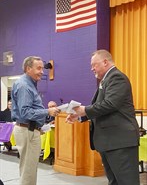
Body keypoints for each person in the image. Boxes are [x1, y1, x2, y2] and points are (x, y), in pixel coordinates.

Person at [66, 49, 140, 185]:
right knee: (114, 181)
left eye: (94, 65)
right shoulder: (106, 80)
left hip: (120, 142)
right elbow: (102, 109)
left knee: (126, 181)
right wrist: (80, 116)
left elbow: (110, 104)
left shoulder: (117, 77)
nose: (92, 69)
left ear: (105, 62)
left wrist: (84, 110)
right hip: (110, 142)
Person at [11, 56, 60, 185]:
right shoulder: (24, 86)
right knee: (28, 171)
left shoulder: (30, 84)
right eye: (38, 68)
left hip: (31, 129)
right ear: (28, 69)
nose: (42, 72)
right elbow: (25, 112)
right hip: (27, 131)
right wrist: (47, 112)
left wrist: (39, 126)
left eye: (42, 68)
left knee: (30, 169)